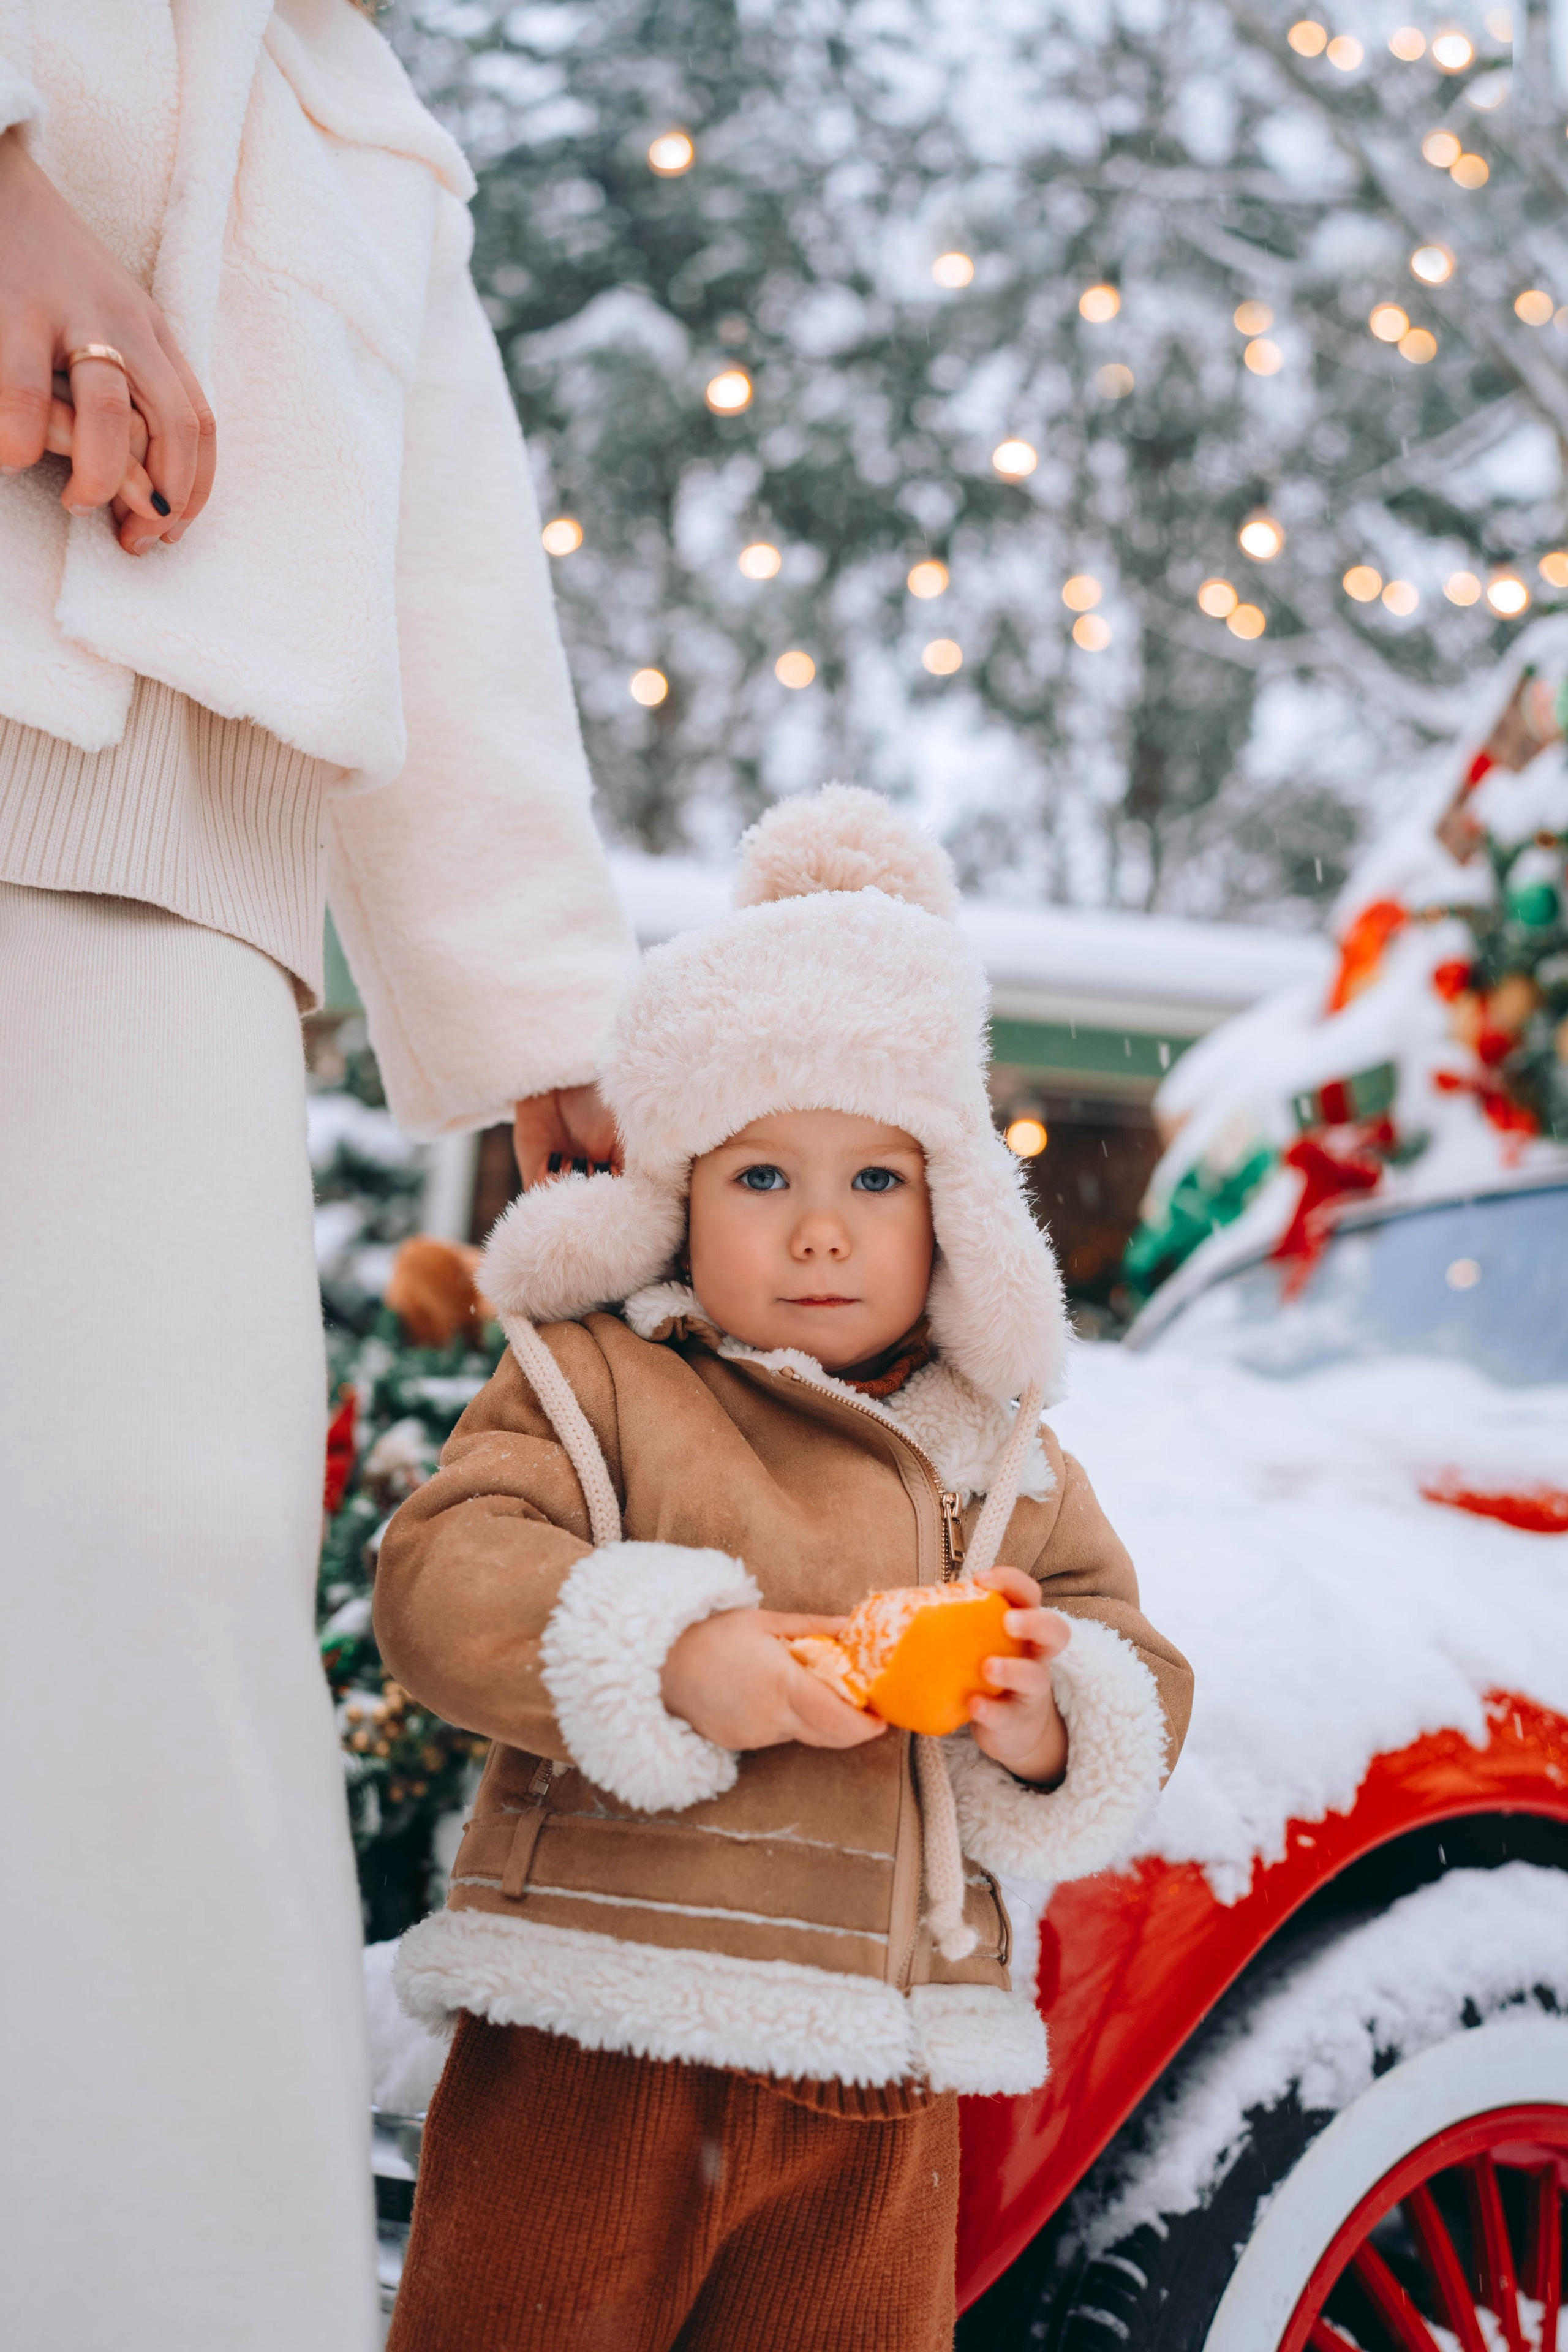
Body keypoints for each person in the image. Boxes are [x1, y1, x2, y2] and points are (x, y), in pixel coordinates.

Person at [0, 8, 632, 2346]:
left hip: (177, 930)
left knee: (158, 1601)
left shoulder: (378, 137)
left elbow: (454, 600)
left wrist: (548, 1019)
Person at [374, 788, 1193, 2351]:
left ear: (952, 1206)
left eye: (872, 1181)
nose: (821, 1233)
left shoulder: (997, 1451)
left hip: (879, 2080)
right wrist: (668, 1655)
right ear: (675, 1189)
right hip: (591, 2033)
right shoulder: (603, 1381)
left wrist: (1045, 1710)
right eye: (761, 1178)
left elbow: (1127, 1655)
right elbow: (442, 1575)